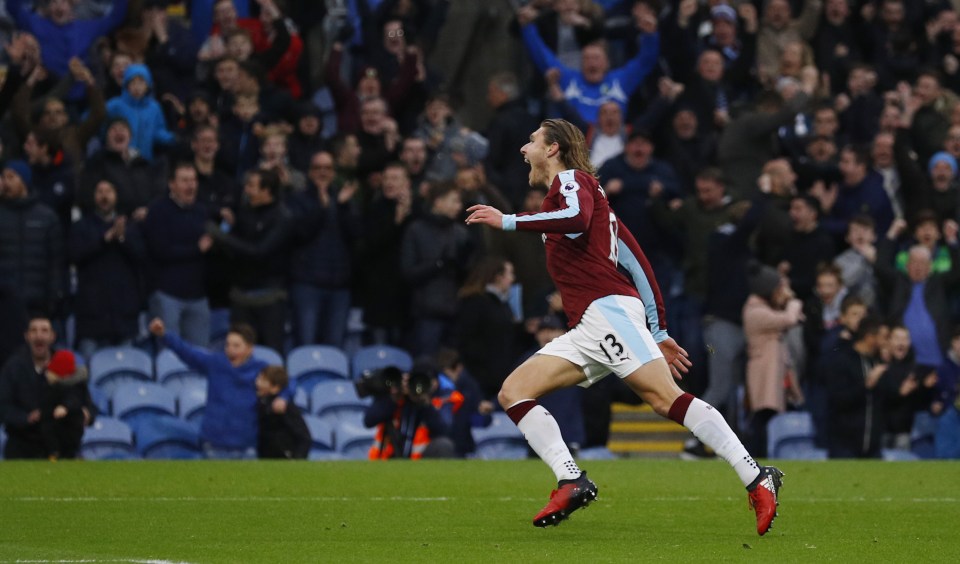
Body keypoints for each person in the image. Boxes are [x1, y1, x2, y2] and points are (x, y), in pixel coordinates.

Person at [464, 119, 783, 534]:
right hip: (590, 324)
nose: (524, 149)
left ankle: (757, 476)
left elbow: (577, 220)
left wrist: (507, 220)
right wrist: (659, 328)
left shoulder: (573, 183)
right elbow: (636, 262)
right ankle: (571, 480)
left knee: (665, 398)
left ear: (554, 149)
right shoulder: (588, 200)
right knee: (514, 392)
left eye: (531, 141)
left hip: (606, 311)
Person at [148, 318, 291, 459]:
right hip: (214, 445)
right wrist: (164, 335)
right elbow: (187, 352)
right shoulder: (216, 363)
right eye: (228, 345)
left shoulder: (261, 369)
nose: (230, 349)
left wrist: (283, 397)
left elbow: (288, 382)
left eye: (236, 346)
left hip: (247, 446)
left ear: (249, 348)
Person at [0, 317, 94, 459]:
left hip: (63, 446)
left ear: (52, 336)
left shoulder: (65, 362)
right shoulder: (13, 367)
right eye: (34, 330)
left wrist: (88, 413)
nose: (39, 335)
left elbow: (85, 400)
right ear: (27, 336)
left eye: (44, 330)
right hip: (23, 446)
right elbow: (3, 406)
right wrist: (26, 418)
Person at [363, 362, 455, 460]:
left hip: (419, 463)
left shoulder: (432, 401)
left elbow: (443, 431)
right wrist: (395, 398)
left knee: (444, 445)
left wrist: (423, 402)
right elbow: (369, 421)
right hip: (389, 461)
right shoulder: (392, 397)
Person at [255, 365, 309, 460]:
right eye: (258, 378)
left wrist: (297, 459)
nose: (257, 383)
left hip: (284, 458)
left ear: (275, 388)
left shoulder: (285, 407)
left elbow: (304, 437)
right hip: (263, 458)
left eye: (263, 380)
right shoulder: (260, 403)